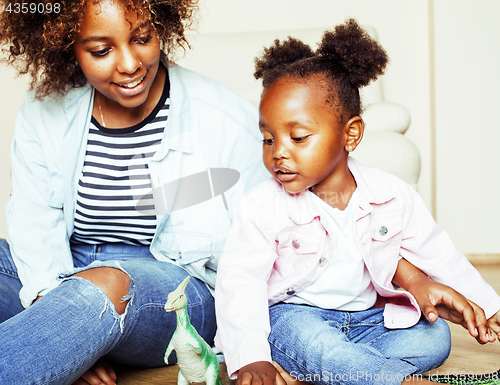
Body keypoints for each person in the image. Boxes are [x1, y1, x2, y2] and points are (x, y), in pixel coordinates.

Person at [214, 19, 500, 385]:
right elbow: (240, 284)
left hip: (366, 320)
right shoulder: (261, 207)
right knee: (310, 341)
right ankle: (393, 379)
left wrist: (488, 306)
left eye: (298, 137)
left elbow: (438, 254)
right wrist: (252, 359)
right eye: (268, 139)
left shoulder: (390, 194)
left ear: (351, 134)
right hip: (295, 319)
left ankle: (339, 372)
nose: (278, 153)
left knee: (433, 338)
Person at [0, 0, 268, 384]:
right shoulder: (45, 109)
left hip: (174, 291)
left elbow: (258, 250)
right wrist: (66, 334)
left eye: (143, 37)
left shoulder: (224, 119)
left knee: (107, 285)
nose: (130, 64)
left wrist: (77, 318)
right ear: (65, 46)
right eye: (101, 51)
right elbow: (33, 221)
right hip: (64, 270)